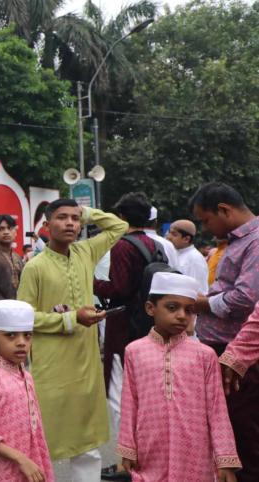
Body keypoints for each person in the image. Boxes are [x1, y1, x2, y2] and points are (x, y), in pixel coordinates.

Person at [16, 199, 127, 482]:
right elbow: (24, 317)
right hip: (52, 364)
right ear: (46, 225)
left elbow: (119, 226)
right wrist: (70, 318)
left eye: (75, 219)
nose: (70, 223)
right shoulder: (35, 267)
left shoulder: (85, 252)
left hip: (86, 361)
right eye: (62, 217)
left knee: (87, 442)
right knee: (44, 437)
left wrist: (86, 212)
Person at [117, 272, 241, 482]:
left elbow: (217, 410)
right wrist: (127, 447)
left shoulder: (205, 355)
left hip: (195, 452)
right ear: (150, 308)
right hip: (150, 448)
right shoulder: (134, 351)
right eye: (172, 308)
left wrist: (225, 460)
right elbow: (130, 402)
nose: (182, 315)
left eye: (189, 310)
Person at [189, 182, 259, 479]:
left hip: (240, 354)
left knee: (243, 432)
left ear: (224, 210)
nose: (206, 228)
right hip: (225, 349)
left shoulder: (255, 241)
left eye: (206, 220)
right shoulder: (235, 242)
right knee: (227, 429)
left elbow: (246, 298)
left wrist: (202, 304)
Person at [90, 193, 162, 481]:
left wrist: (92, 282)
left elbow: (118, 289)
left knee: (120, 395)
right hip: (148, 325)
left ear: (121, 217)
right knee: (146, 395)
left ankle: (126, 463)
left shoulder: (122, 246)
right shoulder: (156, 245)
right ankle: (144, 457)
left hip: (124, 328)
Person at [0, 300, 54, 482]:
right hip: (4, 471)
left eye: (27, 336)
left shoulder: (26, 377)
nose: (21, 343)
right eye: (11, 336)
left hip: (32, 465)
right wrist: (20, 458)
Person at [167, 219, 210, 293]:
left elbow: (197, 290)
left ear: (186, 239)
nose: (168, 237)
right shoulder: (174, 253)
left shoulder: (194, 259)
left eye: (174, 234)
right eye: (169, 233)